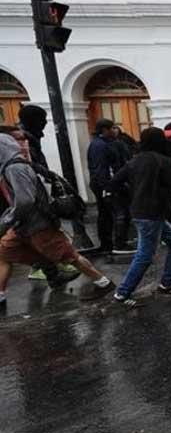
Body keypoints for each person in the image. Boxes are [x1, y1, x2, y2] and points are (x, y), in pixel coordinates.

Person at [0, 133, 115, 310]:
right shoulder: (12, 166)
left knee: (71, 257)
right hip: (23, 225)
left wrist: (8, 218)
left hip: (36, 224)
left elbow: (25, 200)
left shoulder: (14, 168)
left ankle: (103, 282)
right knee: (4, 253)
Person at [109, 127, 171, 306]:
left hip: (141, 211)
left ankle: (166, 284)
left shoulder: (134, 161)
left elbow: (114, 182)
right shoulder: (162, 161)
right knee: (145, 255)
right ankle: (122, 294)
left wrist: (134, 192)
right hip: (153, 213)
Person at [16, 104, 77, 284]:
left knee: (42, 229)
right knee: (39, 229)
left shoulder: (31, 136)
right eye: (42, 120)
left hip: (36, 190)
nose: (45, 124)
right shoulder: (23, 140)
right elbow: (29, 165)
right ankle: (45, 266)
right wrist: (47, 174)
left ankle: (55, 263)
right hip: (32, 192)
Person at [86, 119, 134, 255]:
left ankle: (110, 243)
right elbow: (101, 168)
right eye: (112, 128)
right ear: (104, 130)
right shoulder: (99, 146)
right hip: (108, 185)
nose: (115, 130)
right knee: (118, 214)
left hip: (110, 184)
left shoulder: (109, 143)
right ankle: (118, 243)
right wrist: (108, 187)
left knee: (109, 214)